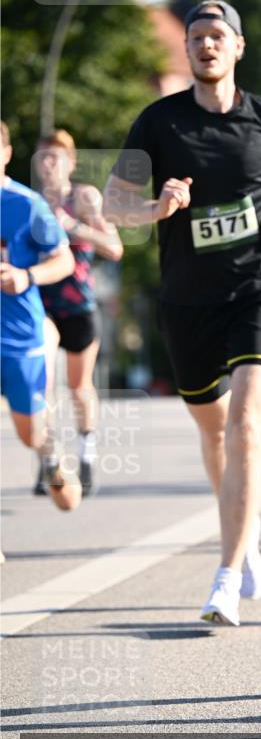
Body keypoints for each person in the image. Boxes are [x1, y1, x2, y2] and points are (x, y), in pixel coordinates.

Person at [103, 0, 261, 626]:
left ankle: (225, 576)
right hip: (187, 298)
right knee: (214, 429)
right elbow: (117, 204)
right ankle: (244, 534)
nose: (206, 45)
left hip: (258, 290)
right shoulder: (159, 123)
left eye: (217, 36)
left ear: (238, 47)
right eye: (196, 36)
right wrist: (156, 210)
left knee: (246, 424)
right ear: (188, 49)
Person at [33, 129, 123, 497]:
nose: (48, 164)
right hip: (43, 305)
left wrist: (75, 227)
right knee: (43, 384)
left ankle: (86, 455)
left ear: (70, 162)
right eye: (42, 157)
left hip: (79, 305)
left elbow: (114, 248)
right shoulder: (31, 202)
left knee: (79, 387)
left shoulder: (83, 197)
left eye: (55, 157)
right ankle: (49, 460)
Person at [0, 120, 80, 510]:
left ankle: (48, 453)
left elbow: (63, 260)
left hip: (19, 340)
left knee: (29, 433)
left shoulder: (26, 205)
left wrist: (25, 276)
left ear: (6, 154)